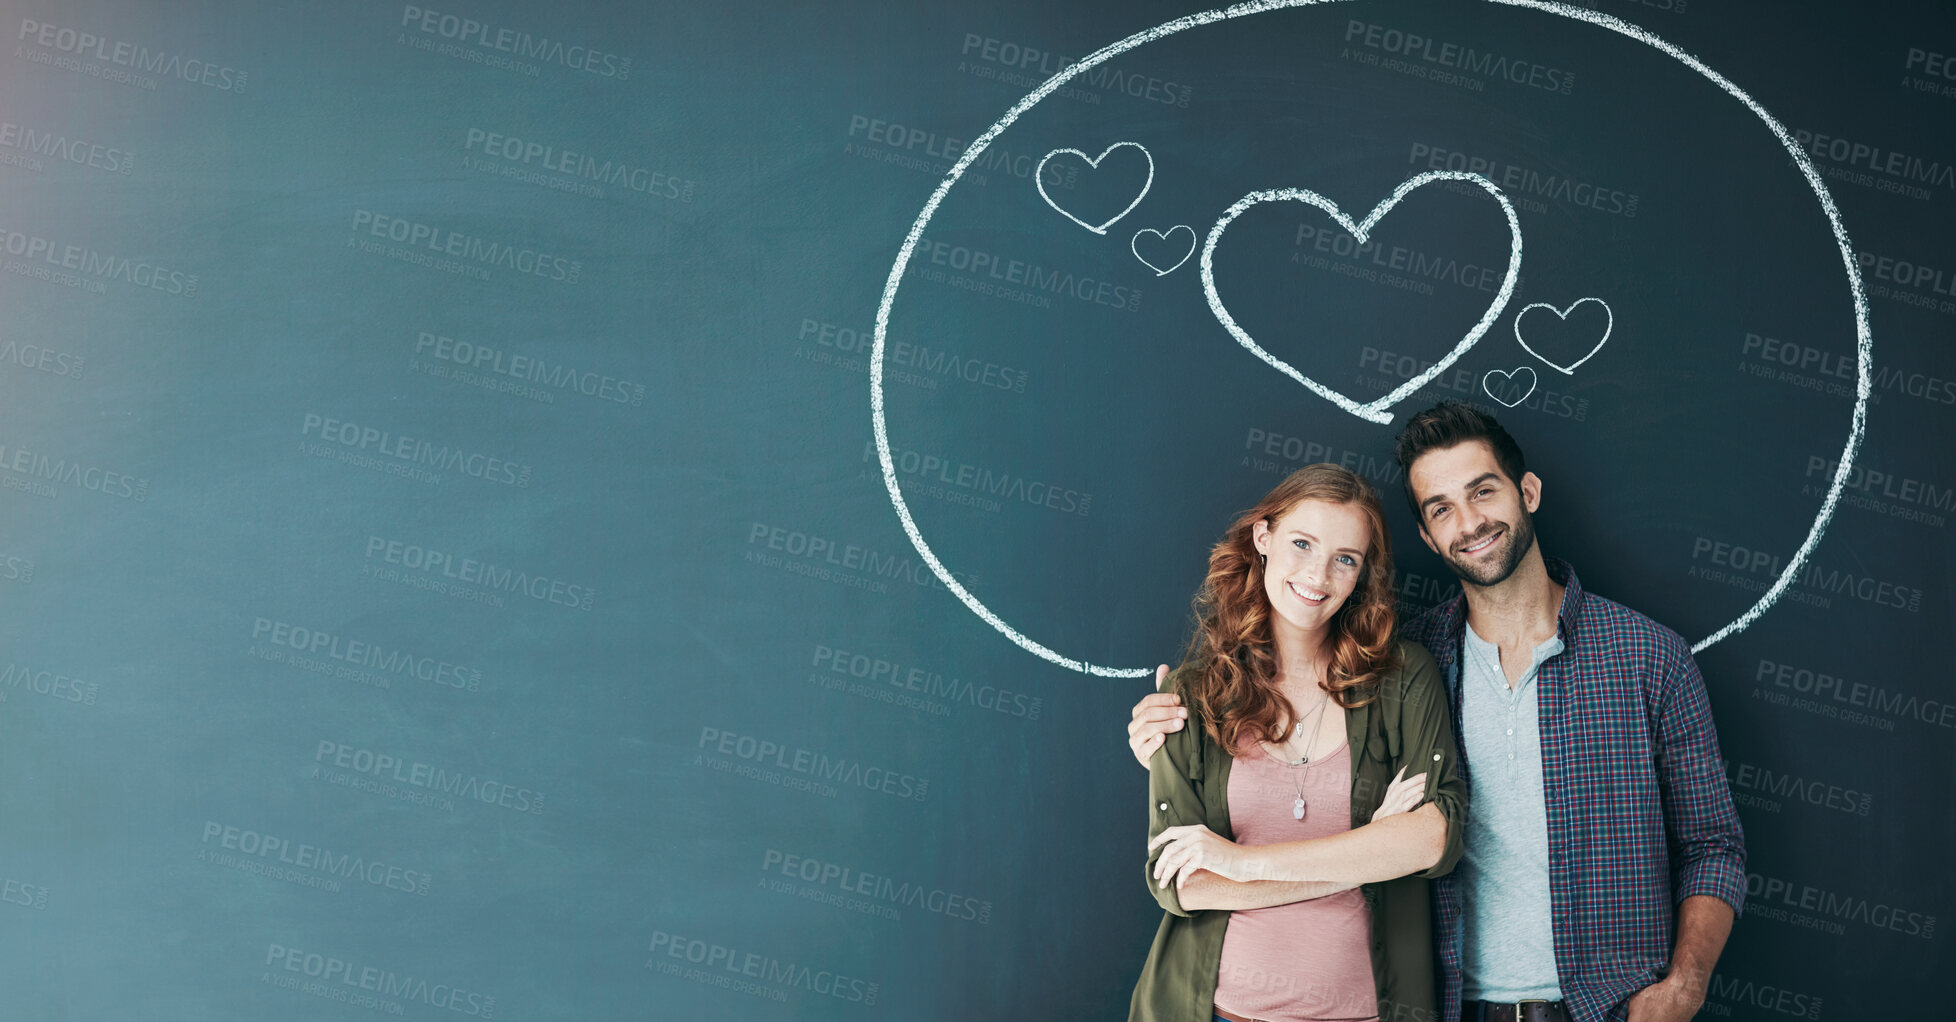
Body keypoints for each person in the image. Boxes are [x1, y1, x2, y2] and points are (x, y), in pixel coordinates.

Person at [1128, 402, 1746, 1022]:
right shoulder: (1417, 659)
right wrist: (1370, 845)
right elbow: (1184, 872)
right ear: (1426, 535)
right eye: (1441, 508)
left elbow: (1713, 844)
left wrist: (1681, 991)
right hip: (1455, 1006)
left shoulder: (1644, 657)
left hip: (1609, 1007)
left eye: (1483, 491)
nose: (1470, 521)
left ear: (1526, 491)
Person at [1131, 463, 1469, 1022]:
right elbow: (1181, 883)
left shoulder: (1404, 677)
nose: (1319, 574)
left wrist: (1240, 865)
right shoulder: (1191, 693)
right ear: (1263, 537)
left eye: (1345, 559)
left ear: (1361, 574)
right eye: (1302, 543)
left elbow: (1434, 838)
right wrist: (1368, 854)